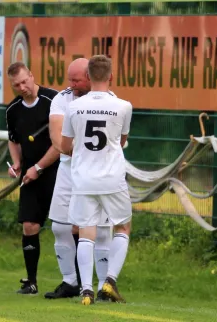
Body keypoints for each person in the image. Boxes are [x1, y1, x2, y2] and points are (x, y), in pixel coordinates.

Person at [61, 55, 133, 305]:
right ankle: (109, 281)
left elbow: (64, 145)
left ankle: (86, 290)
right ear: (111, 76)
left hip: (82, 179)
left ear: (89, 77)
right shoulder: (124, 106)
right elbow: (121, 141)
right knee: (122, 227)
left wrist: (81, 151)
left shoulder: (73, 107)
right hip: (112, 178)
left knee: (85, 234)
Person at [45, 57, 115, 301]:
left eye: (76, 80)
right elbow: (57, 139)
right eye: (70, 79)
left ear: (89, 77)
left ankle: (105, 286)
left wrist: (85, 151)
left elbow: (115, 141)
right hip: (68, 170)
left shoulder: (112, 101)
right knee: (60, 227)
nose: (72, 84)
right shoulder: (62, 99)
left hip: (98, 172)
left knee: (103, 231)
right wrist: (82, 150)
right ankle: (70, 282)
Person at [5, 61, 61, 295]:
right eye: (16, 85)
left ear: (32, 75)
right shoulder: (13, 109)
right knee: (29, 226)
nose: (22, 87)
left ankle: (76, 282)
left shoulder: (54, 101)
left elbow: (60, 144)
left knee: (67, 228)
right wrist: (17, 163)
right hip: (30, 174)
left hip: (59, 172)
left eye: (24, 81)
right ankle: (31, 281)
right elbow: (13, 139)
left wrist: (38, 167)